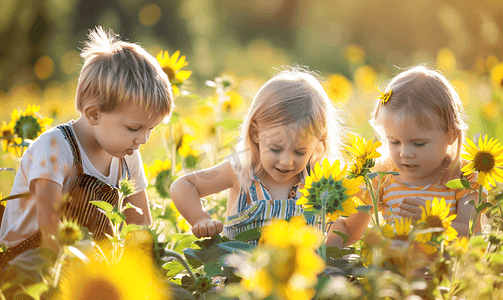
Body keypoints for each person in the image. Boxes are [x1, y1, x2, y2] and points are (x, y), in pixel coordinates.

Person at [0, 26, 173, 267]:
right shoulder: (55, 148)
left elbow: (140, 225)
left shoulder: (127, 156)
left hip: (87, 265)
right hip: (28, 265)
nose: (143, 139)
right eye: (134, 128)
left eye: (150, 129)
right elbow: (49, 228)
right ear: (93, 114)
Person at [170, 67, 345, 242]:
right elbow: (183, 186)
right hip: (239, 268)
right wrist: (200, 218)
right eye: (276, 149)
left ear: (317, 145)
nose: (286, 161)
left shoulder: (316, 181)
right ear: (255, 134)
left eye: (300, 152)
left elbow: (339, 230)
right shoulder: (241, 172)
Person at [327, 65, 478, 248]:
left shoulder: (463, 177)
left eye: (418, 143)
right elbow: (351, 230)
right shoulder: (381, 177)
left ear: (450, 136)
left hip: (445, 274)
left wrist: (431, 223)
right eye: (394, 142)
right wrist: (330, 242)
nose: (405, 153)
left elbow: (472, 233)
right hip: (393, 273)